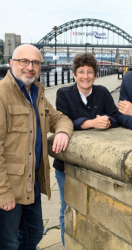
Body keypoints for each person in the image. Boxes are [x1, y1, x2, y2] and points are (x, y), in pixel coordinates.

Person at [0, 44, 73, 250]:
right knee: (8, 243)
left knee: (33, 235)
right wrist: (3, 192)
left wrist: (61, 132)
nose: (30, 67)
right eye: (24, 61)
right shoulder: (2, 93)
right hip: (8, 186)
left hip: (31, 183)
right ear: (12, 63)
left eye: (35, 63)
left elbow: (61, 118)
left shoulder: (36, 93)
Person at [53, 52, 118, 247]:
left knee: (97, 210)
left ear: (96, 75)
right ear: (74, 75)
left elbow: (115, 117)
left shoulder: (103, 93)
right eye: (81, 72)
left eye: (90, 72)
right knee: (68, 209)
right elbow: (64, 121)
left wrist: (106, 122)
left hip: (97, 164)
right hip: (66, 165)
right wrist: (90, 123)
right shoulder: (63, 94)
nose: (85, 76)